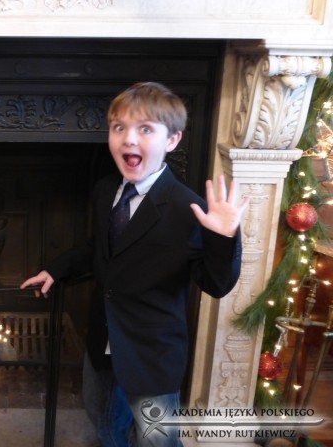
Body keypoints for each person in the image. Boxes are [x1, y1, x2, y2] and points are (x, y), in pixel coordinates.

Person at [21, 82, 248, 447]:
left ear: (172, 140)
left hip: (151, 355)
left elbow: (216, 283)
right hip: (103, 340)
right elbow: (103, 248)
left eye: (145, 129)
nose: (129, 139)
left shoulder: (186, 208)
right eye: (119, 128)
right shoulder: (105, 189)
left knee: (156, 439)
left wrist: (222, 237)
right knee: (102, 420)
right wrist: (57, 269)